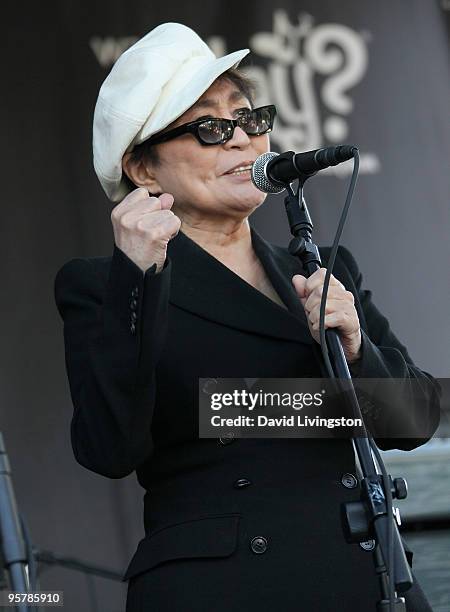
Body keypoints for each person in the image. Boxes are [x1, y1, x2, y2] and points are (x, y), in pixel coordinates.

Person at [54, 22, 440, 612]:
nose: (241, 139)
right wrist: (138, 277)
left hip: (369, 579)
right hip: (225, 588)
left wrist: (358, 348)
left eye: (249, 118)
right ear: (143, 169)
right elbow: (111, 448)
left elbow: (413, 420)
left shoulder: (319, 266)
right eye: (210, 127)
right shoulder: (104, 284)